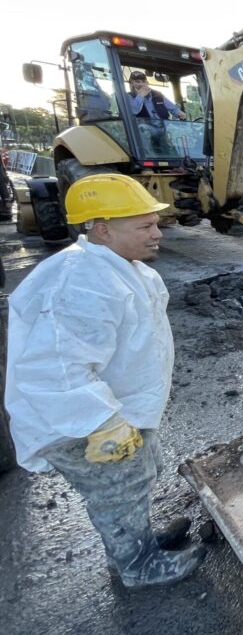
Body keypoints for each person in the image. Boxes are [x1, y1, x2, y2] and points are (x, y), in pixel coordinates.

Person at [3, 173, 206, 588]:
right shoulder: (78, 283)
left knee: (138, 476)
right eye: (144, 226)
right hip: (83, 422)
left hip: (120, 408)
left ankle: (139, 539)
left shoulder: (121, 269)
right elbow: (55, 368)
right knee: (118, 490)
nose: (157, 233)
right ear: (102, 228)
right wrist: (102, 423)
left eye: (155, 223)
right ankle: (136, 566)